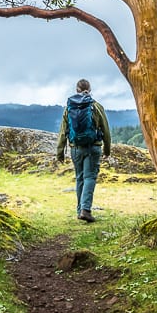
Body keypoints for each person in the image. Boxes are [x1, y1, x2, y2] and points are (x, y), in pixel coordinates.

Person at [56, 78, 111, 223]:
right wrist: (107, 149)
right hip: (93, 147)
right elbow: (105, 129)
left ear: (76, 90)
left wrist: (60, 152)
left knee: (80, 178)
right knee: (90, 177)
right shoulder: (96, 106)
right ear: (90, 90)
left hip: (76, 149)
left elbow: (63, 131)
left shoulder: (69, 108)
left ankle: (80, 209)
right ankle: (85, 210)